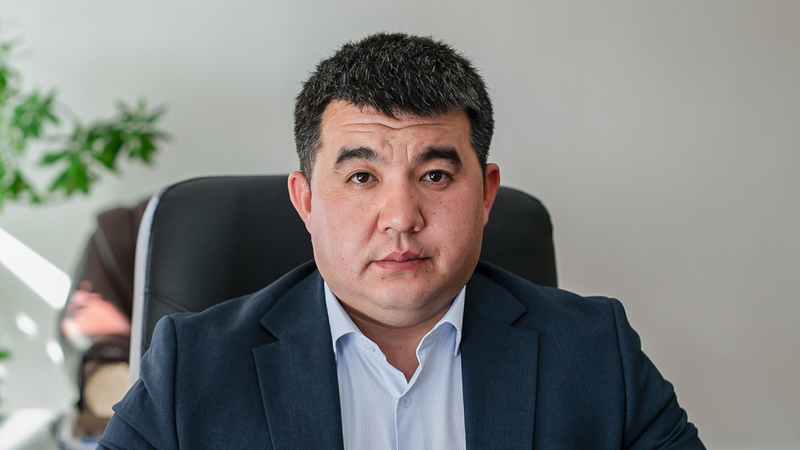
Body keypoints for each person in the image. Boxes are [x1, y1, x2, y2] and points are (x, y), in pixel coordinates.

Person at [98, 33, 704, 449]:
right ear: (306, 202)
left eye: (434, 175)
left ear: (486, 194)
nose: (401, 218)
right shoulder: (193, 367)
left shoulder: (596, 352)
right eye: (362, 177)